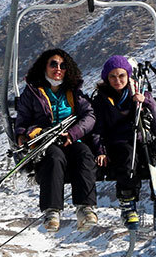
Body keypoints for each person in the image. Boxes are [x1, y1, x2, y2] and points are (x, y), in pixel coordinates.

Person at [90, 54, 156, 228]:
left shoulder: (140, 94)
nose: (117, 80)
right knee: (127, 160)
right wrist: (100, 150)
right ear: (107, 79)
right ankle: (128, 206)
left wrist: (147, 102)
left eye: (121, 76)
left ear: (128, 75)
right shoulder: (101, 100)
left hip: (144, 138)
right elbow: (97, 129)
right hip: (119, 141)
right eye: (113, 77)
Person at [14, 48, 98, 232]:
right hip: (46, 142)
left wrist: (73, 133)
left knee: (84, 154)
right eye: (53, 64)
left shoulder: (74, 92)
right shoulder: (33, 92)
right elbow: (23, 118)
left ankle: (85, 208)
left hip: (70, 138)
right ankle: (52, 211)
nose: (58, 69)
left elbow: (89, 116)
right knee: (54, 158)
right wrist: (23, 135)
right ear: (45, 67)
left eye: (62, 65)